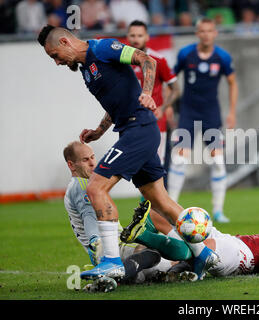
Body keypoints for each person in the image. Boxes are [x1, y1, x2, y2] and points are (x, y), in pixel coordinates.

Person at [37, 25, 219, 281]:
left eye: (55, 55)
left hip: (140, 128)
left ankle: (110, 260)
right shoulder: (87, 71)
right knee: (160, 200)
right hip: (132, 130)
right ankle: (203, 254)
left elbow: (146, 60)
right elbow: (117, 101)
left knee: (95, 188)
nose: (56, 62)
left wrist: (146, 93)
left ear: (65, 42)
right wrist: (100, 131)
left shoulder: (101, 48)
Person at [62, 141, 197, 290]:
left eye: (93, 157)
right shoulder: (82, 186)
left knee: (144, 274)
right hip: (108, 247)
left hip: (109, 247)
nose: (92, 163)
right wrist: (97, 243)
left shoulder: (81, 185)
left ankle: (156, 274)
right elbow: (88, 215)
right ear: (71, 165)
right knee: (155, 254)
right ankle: (113, 275)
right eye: (85, 160)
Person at [122, 200, 259, 276]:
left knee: (199, 243)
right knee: (167, 216)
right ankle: (144, 253)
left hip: (244, 255)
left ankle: (158, 264)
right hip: (231, 240)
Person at [167, 18, 238, 223]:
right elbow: (171, 80)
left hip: (211, 114)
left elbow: (233, 83)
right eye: (202, 31)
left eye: (210, 31)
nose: (206, 34)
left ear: (215, 33)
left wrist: (232, 112)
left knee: (218, 162)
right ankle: (171, 207)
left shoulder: (222, 57)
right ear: (197, 33)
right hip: (188, 113)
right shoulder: (185, 54)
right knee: (180, 160)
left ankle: (218, 211)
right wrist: (168, 105)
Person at [127, 20, 180, 169]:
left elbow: (176, 89)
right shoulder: (120, 61)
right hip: (130, 120)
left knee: (156, 164)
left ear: (147, 37)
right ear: (127, 37)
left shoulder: (158, 60)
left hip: (154, 120)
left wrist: (163, 109)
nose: (136, 39)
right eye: (133, 35)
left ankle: (154, 193)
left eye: (139, 35)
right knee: (137, 165)